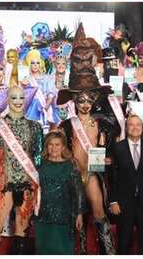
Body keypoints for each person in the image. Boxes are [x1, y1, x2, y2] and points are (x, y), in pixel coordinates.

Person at [56, 24, 118, 254]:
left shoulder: (103, 124)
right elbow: (57, 151)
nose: (84, 103)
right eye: (80, 99)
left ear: (94, 99)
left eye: (88, 98)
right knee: (76, 217)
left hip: (92, 173)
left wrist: (109, 160)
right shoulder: (66, 126)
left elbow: (110, 151)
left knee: (99, 212)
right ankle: (78, 252)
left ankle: (107, 252)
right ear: (74, 100)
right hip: (73, 174)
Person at [0, 85, 44, 254]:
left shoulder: (36, 127)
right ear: (8, 100)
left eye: (21, 98)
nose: (18, 101)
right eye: (14, 97)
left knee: (22, 225)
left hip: (28, 182)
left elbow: (38, 157)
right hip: (4, 182)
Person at [109, 114, 143, 254]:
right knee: (123, 243)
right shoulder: (117, 148)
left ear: (142, 127)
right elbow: (112, 178)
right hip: (123, 204)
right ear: (126, 128)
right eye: (131, 125)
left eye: (138, 125)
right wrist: (113, 201)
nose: (135, 128)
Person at [34, 131, 87, 254]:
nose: (54, 148)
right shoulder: (40, 165)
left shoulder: (71, 165)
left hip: (65, 216)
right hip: (43, 215)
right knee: (43, 250)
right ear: (46, 147)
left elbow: (78, 190)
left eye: (57, 144)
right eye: (50, 144)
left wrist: (79, 214)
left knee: (63, 250)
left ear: (63, 147)